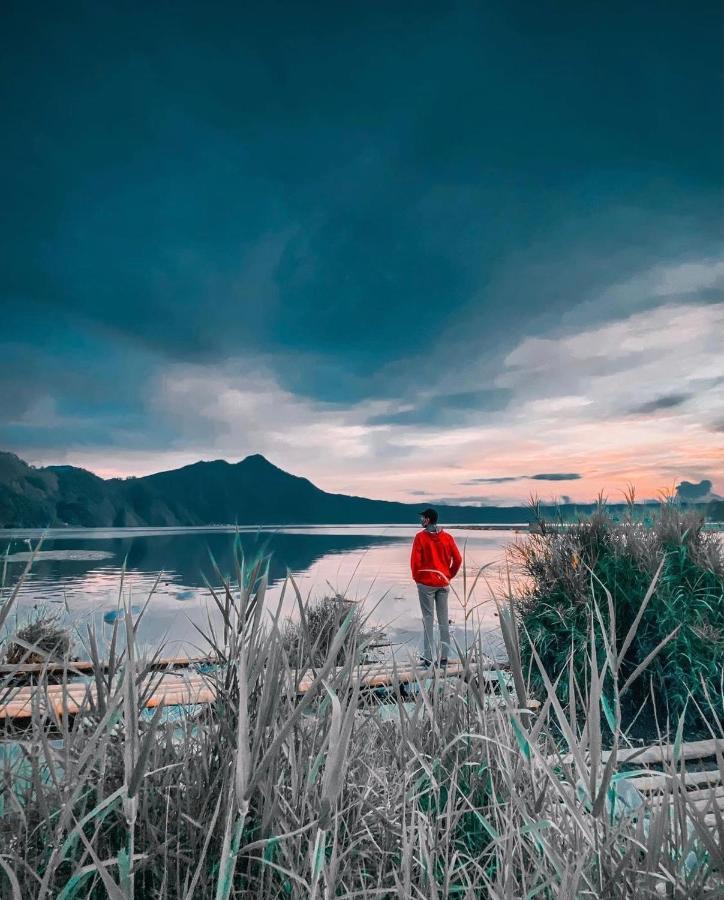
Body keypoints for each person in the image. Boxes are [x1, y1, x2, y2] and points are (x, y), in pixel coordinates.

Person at [410, 507, 462, 667]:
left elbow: (415, 563)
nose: (421, 520)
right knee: (443, 621)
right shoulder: (447, 537)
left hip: (426, 584)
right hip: (443, 584)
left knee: (428, 620)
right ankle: (444, 658)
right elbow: (458, 559)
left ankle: (427, 658)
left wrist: (418, 579)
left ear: (428, 520)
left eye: (422, 518)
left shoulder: (420, 538)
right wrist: (448, 576)